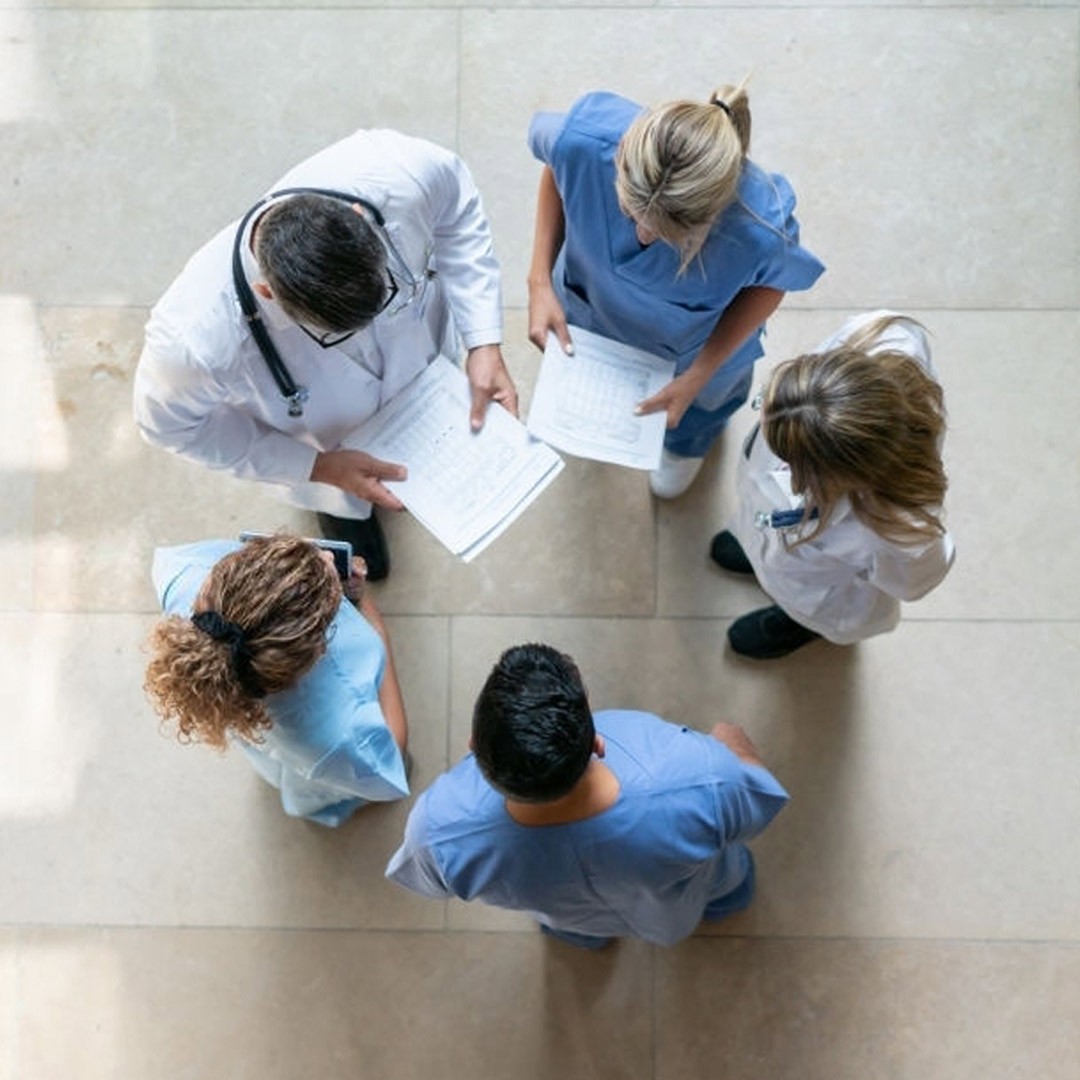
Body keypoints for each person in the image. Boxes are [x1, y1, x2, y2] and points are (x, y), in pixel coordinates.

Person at [134, 129, 518, 581]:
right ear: (266, 293)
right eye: (335, 334)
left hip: (426, 375)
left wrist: (483, 340)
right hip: (328, 446)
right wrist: (316, 466)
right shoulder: (193, 342)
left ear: (359, 217)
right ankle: (348, 517)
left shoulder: (395, 172)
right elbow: (168, 426)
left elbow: (458, 207)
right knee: (348, 512)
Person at [527, 85, 824, 499]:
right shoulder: (585, 139)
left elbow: (774, 282)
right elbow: (559, 167)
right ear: (619, 157)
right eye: (630, 212)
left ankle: (685, 448)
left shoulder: (758, 229)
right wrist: (539, 280)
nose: (643, 234)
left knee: (699, 410)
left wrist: (699, 374)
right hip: (590, 308)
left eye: (666, 233)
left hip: (697, 355)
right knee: (594, 388)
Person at [386, 644, 788, 948]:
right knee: (724, 888)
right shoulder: (703, 779)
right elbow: (757, 805)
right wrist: (733, 746)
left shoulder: (437, 831)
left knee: (577, 931)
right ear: (597, 743)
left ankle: (590, 942)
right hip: (672, 912)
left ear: (474, 745)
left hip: (571, 917)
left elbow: (424, 881)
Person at [711, 311, 956, 659]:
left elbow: (911, 583)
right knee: (762, 529)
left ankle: (798, 626)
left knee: (804, 601)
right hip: (774, 523)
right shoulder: (882, 337)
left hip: (815, 590)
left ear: (833, 476)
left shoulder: (903, 531)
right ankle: (757, 552)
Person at [145, 534, 409, 825]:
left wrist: (300, 570)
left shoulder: (183, 573)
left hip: (270, 742)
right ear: (316, 651)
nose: (328, 556)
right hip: (317, 762)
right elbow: (388, 757)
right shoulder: (337, 734)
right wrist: (374, 624)